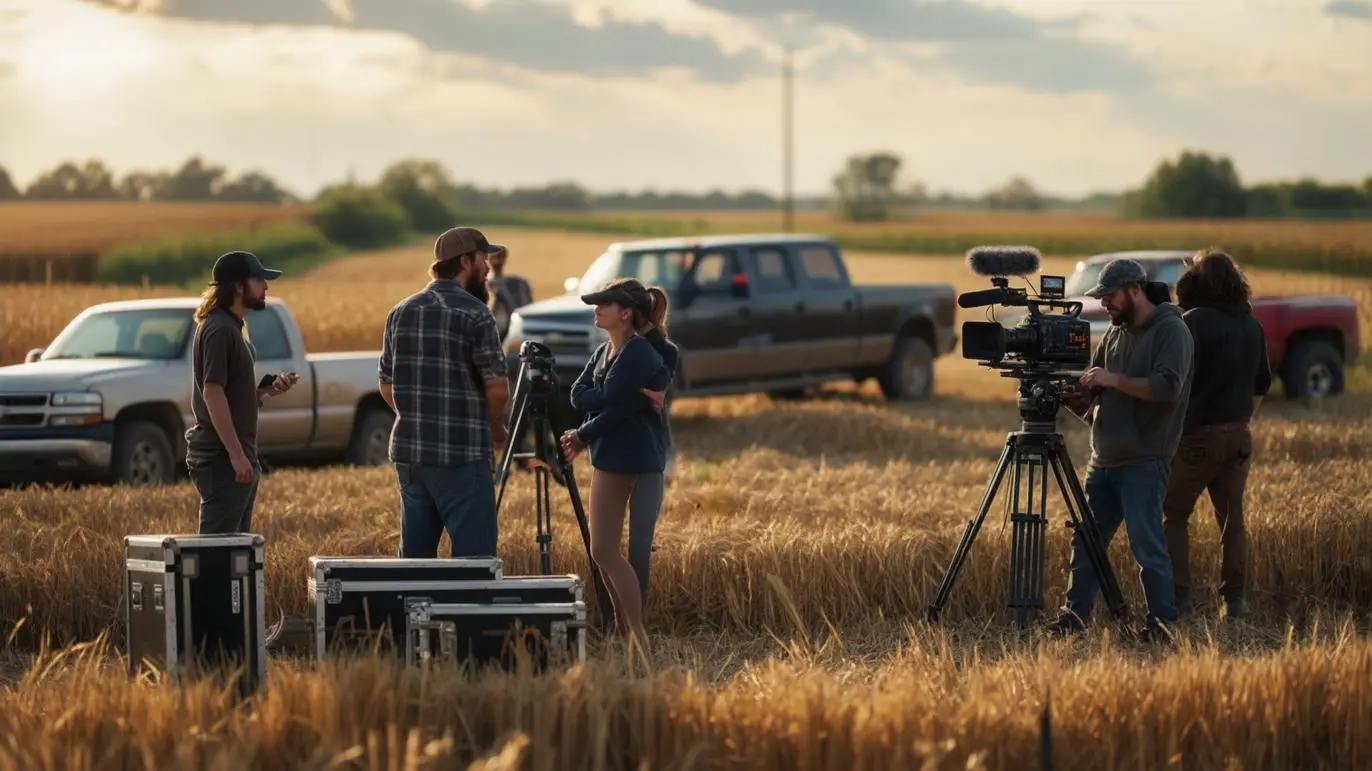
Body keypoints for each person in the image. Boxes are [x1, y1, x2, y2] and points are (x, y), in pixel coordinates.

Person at [1055, 258, 1194, 641]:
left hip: (1145, 461)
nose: (1105, 305)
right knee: (1086, 543)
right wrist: (1069, 391)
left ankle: (1161, 625)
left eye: (1110, 296)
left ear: (1135, 289)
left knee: (1147, 547)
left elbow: (1167, 388)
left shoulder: (1172, 330)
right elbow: (1096, 387)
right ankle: (1074, 617)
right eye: (1100, 298)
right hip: (1104, 461)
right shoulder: (1116, 332)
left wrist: (1112, 380)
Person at [378, 227, 510, 559]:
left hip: (410, 455)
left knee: (415, 564)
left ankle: (415, 613)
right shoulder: (476, 313)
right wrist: (489, 425)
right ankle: (467, 614)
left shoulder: (400, 312)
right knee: (474, 564)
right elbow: (497, 390)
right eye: (483, 258)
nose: (488, 266)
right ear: (465, 261)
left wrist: (419, 418)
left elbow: (387, 385)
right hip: (462, 457)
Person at [559, 279, 669, 649]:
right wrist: (602, 398)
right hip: (608, 460)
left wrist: (583, 432)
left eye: (603, 305)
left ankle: (634, 634)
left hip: (638, 461)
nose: (596, 309)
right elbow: (579, 394)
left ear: (625, 314)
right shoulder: (605, 350)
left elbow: (618, 405)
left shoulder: (638, 353)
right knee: (602, 550)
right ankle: (625, 629)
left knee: (631, 552)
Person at [1163, 249, 1271, 620]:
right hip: (1239, 436)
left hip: (1196, 438)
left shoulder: (1191, 322)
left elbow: (1173, 384)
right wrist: (1239, 422)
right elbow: (1262, 384)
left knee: (1173, 516)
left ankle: (1181, 600)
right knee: (1232, 522)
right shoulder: (1251, 324)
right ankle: (1235, 602)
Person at [186, 250, 299, 535]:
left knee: (234, 554)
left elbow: (232, 395)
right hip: (223, 460)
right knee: (216, 554)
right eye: (259, 280)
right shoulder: (219, 329)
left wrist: (269, 390)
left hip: (235, 459)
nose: (266, 288)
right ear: (238, 286)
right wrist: (236, 455)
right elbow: (212, 393)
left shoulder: (232, 327)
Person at [627, 286, 679, 607]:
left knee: (639, 542)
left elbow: (644, 394)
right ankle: (632, 609)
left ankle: (633, 610)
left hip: (649, 448)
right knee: (639, 541)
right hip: (650, 446)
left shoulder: (652, 349)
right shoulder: (622, 346)